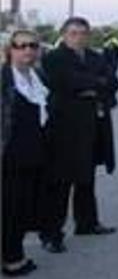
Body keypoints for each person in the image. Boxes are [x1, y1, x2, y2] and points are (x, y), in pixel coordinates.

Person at [40, 17, 118, 253]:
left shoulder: (96, 56)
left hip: (94, 126)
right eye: (73, 33)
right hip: (64, 129)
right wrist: (97, 83)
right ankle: (51, 234)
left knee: (87, 178)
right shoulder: (54, 58)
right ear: (64, 35)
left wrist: (89, 86)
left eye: (83, 33)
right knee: (60, 182)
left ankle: (87, 223)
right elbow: (64, 81)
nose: (78, 37)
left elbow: (113, 82)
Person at [1, 30, 48, 276]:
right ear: (11, 50)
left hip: (33, 155)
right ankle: (12, 260)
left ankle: (11, 252)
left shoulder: (37, 76)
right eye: (21, 46)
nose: (27, 50)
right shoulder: (3, 79)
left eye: (32, 45)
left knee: (22, 208)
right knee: (11, 209)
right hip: (10, 157)